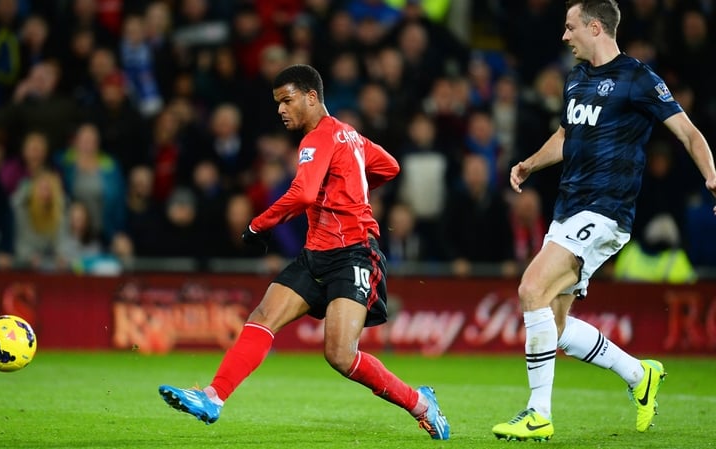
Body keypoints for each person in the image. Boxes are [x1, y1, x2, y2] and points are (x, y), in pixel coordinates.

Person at [158, 64, 450, 440]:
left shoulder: (316, 139)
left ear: (312, 97)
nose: (281, 109)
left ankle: (420, 403)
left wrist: (257, 225)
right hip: (317, 254)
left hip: (354, 254)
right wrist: (350, 187)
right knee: (264, 315)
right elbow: (390, 167)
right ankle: (214, 397)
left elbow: (305, 194)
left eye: (287, 100)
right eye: (278, 102)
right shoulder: (351, 136)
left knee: (341, 355)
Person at [492, 0, 716, 442]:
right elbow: (566, 135)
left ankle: (538, 413)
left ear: (595, 27)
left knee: (530, 288)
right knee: (552, 325)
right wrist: (529, 165)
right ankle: (639, 375)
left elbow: (687, 131)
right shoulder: (577, 80)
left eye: (570, 26)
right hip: (568, 208)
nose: (564, 35)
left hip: (606, 210)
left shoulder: (638, 78)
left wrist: (712, 174)